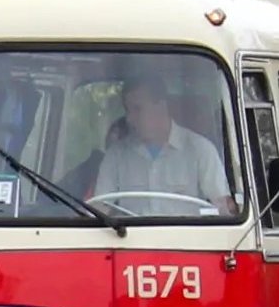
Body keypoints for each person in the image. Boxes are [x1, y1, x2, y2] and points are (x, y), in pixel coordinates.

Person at [92, 75, 236, 216]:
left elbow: (223, 209)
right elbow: (100, 207)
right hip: (127, 237)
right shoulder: (116, 155)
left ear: (161, 106)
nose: (129, 119)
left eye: (137, 109)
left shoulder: (201, 150)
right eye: (128, 111)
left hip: (187, 238)